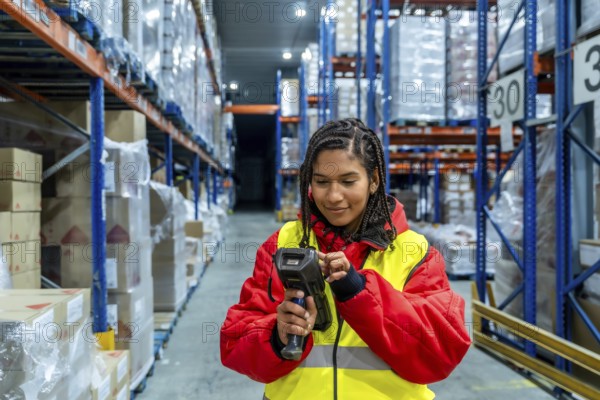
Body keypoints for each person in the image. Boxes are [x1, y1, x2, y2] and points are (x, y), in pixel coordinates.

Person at [220, 118, 471, 399]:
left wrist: (360, 293)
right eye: (322, 182)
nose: (334, 196)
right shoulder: (283, 244)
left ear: (373, 180)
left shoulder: (414, 253)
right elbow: (235, 342)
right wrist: (277, 336)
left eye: (348, 181)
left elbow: (440, 353)